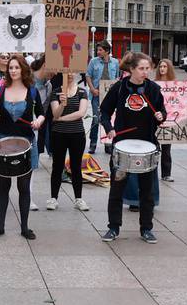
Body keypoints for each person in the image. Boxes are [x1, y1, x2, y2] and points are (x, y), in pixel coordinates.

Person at [99, 51, 166, 244]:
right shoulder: (120, 88)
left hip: (147, 145)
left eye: (148, 68)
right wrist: (109, 128)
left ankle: (146, 229)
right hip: (122, 145)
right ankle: (113, 228)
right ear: (131, 69)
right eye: (141, 68)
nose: (146, 72)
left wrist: (161, 116)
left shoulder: (153, 89)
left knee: (147, 191)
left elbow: (162, 111)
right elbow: (104, 111)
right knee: (117, 189)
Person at [0, 53, 44, 240]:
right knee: (3, 186)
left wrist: (38, 122)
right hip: (3, 142)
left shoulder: (32, 91)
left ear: (23, 69)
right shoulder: (0, 91)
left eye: (17, 67)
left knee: (24, 187)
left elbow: (41, 113)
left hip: (26, 142)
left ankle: (25, 228)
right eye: (11, 68)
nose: (13, 70)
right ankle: (0, 226)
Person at [47, 68, 92, 212]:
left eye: (73, 72)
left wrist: (60, 119)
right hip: (58, 134)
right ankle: (53, 198)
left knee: (76, 166)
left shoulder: (81, 92)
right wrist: (62, 103)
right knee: (57, 166)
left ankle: (78, 198)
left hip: (77, 134)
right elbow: (55, 113)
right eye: (67, 72)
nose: (71, 75)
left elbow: (81, 113)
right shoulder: (56, 92)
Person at [86, 41, 117, 149]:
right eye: (97, 50)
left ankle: (107, 143)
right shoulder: (93, 62)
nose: (98, 52)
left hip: (110, 97)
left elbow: (117, 78)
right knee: (96, 118)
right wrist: (92, 89)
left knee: (107, 119)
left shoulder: (115, 62)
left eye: (100, 50)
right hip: (96, 95)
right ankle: (93, 143)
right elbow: (88, 75)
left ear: (107, 51)